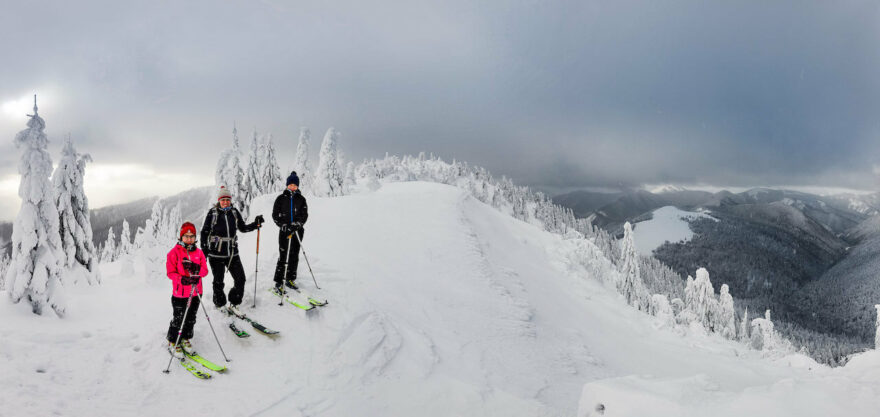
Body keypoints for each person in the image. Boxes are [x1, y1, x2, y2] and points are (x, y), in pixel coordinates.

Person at [200, 186, 263, 314]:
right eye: (223, 200)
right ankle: (220, 304)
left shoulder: (234, 212)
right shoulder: (213, 213)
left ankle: (234, 302)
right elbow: (204, 232)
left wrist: (255, 224)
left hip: (232, 253)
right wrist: (204, 249)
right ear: (219, 200)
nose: (225, 202)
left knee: (241, 279)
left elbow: (243, 228)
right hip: (216, 254)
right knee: (219, 282)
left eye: (227, 199)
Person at [166, 222, 209, 358]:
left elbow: (205, 270)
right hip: (180, 293)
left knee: (191, 318)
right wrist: (182, 279)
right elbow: (170, 272)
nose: (189, 239)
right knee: (179, 318)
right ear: (181, 237)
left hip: (196, 292)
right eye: (186, 236)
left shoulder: (199, 252)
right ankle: (173, 341)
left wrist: (196, 269)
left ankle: (185, 338)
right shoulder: (174, 253)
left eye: (192, 236)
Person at [272, 171, 308, 290]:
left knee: (294, 255)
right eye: (290, 184)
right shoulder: (281, 198)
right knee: (283, 254)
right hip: (284, 231)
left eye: (295, 185)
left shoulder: (301, 199)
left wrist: (297, 224)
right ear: (287, 185)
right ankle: (279, 280)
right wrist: (282, 225)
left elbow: (304, 215)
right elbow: (275, 214)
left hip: (297, 231)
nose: (292, 187)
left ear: (297, 186)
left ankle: (290, 279)